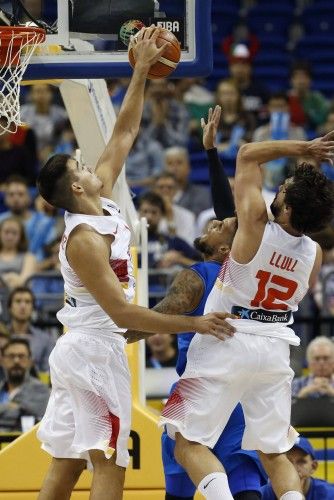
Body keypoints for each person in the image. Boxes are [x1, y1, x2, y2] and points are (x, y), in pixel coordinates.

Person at [35, 27, 233, 500]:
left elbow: (124, 130)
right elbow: (123, 317)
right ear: (76, 188)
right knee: (110, 464)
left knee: (66, 463)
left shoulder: (98, 201)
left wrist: (141, 70)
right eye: (81, 167)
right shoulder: (83, 239)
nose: (91, 166)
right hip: (94, 350)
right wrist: (196, 323)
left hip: (81, 351)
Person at [159, 132, 334, 499]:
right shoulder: (313, 252)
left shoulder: (255, 225)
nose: (276, 192)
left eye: (282, 190)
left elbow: (248, 154)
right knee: (273, 452)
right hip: (274, 348)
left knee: (185, 442)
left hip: (228, 337)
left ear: (286, 210)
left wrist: (306, 148)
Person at [127, 106, 266, 500]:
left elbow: (151, 322)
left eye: (219, 224)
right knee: (245, 485)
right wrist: (210, 152)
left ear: (224, 247)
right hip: (239, 393)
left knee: (182, 473)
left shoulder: (198, 275)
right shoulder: (248, 272)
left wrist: (109, 336)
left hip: (199, 387)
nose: (217, 219)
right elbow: (232, 215)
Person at [0, 176, 58, 261]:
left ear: (29, 197)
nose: (16, 198)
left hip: (39, 270)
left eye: (21, 194)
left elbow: (50, 248)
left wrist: (41, 216)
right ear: (5, 198)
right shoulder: (1, 220)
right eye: (11, 194)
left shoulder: (43, 220)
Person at [0, 338, 50, 432]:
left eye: (21, 356)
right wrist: (10, 406)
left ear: (30, 362)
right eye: (11, 356)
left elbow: (35, 417)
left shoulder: (41, 391)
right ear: (2, 361)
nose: (16, 361)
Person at [261, 436, 334, 499]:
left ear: (313, 466)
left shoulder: (329, 494)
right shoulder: (263, 493)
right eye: (288, 461)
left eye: (301, 461)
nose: (294, 467)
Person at [6, 287, 55, 374]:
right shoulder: (2, 337)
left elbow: (47, 372)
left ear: (32, 308)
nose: (23, 306)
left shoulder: (46, 340)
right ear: (10, 307)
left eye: (27, 302)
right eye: (18, 301)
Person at [164, 146, 212, 217]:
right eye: (170, 163)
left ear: (188, 168)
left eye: (179, 163)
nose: (174, 167)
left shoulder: (202, 194)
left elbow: (197, 218)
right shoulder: (157, 194)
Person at [153, 172, 196, 245]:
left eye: (169, 187)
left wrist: (170, 217)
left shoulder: (188, 216)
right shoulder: (145, 213)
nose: (165, 191)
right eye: (161, 187)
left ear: (176, 191)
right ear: (154, 190)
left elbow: (188, 245)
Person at [0, 217, 36, 290]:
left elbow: (25, 282)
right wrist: (12, 278)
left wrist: (2, 280)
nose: (10, 237)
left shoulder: (29, 257)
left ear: (21, 236)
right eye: (6, 232)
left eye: (14, 233)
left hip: (18, 298)